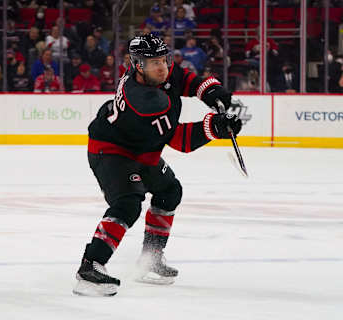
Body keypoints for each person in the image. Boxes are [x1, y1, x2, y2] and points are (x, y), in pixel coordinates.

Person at [73, 34, 242, 297]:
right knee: (128, 203)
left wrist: (213, 92)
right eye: (155, 63)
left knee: (169, 191)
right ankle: (90, 267)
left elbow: (186, 79)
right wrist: (215, 127)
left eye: (164, 59)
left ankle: (150, 260)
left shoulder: (155, 71)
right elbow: (179, 140)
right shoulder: (145, 101)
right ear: (138, 65)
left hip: (142, 148)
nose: (163, 66)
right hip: (112, 151)